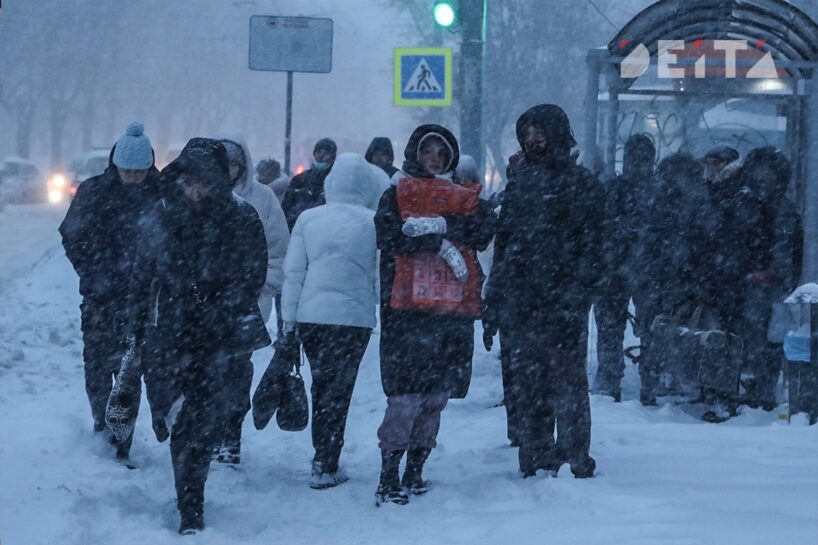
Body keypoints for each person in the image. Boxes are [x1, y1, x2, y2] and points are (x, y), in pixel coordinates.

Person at [124, 138, 270, 534]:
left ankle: (191, 503)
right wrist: (136, 328)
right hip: (168, 333)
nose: (195, 191)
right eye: (188, 181)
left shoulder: (241, 218)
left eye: (204, 183)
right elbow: (141, 277)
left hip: (216, 338)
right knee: (174, 410)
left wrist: (217, 305)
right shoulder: (161, 215)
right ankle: (167, 426)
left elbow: (251, 275)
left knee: (199, 422)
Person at [374, 124, 497, 505]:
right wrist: (438, 241)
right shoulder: (396, 191)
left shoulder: (466, 196)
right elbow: (389, 235)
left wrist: (442, 225)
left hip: (450, 312)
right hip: (407, 312)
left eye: (441, 153)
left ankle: (416, 470)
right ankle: (389, 474)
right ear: (415, 153)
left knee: (435, 396)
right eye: (427, 152)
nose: (434, 159)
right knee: (405, 396)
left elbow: (484, 229)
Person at [483, 104, 603, 479]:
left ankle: (572, 453)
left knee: (566, 381)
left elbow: (598, 244)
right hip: (524, 302)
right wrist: (495, 296)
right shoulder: (520, 183)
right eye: (528, 133)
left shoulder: (581, 183)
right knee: (529, 382)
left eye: (540, 132)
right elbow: (506, 245)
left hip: (562, 301)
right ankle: (536, 452)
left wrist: (579, 289)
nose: (534, 140)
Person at [59, 121, 164, 465]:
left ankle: (121, 440)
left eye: (139, 171)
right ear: (114, 164)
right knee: (97, 363)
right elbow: (72, 234)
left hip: (142, 298)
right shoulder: (93, 192)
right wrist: (93, 272)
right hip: (100, 295)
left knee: (130, 369)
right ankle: (101, 422)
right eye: (126, 170)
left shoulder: (161, 194)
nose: (133, 177)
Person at [282, 153, 388, 489]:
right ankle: (327, 459)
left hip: (312, 316)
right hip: (353, 319)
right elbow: (379, 278)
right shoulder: (373, 221)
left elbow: (294, 273)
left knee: (321, 384)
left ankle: (322, 455)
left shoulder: (308, 220)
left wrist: (288, 319)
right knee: (340, 389)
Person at [215, 132, 289, 464]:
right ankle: (206, 435)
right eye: (221, 162)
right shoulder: (195, 194)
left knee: (236, 373)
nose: (227, 169)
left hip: (246, 305)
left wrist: (264, 287)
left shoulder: (262, 199)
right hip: (202, 306)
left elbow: (279, 251)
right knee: (203, 374)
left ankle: (230, 436)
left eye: (233, 163)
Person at [727, 147, 802, 410]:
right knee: (757, 336)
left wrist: (770, 272)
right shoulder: (747, 201)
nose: (762, 179)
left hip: (767, 284)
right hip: (750, 280)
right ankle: (755, 388)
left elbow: (784, 243)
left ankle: (761, 390)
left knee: (767, 338)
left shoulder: (779, 206)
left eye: (766, 173)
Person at [593, 134, 658, 402]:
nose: (638, 164)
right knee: (638, 327)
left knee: (636, 327)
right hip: (624, 268)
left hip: (628, 268)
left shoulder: (619, 188)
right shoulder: (649, 190)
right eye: (636, 158)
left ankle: (620, 379)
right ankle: (643, 380)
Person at [282, 137, 337, 230]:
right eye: (319, 152)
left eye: (326, 153)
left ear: (332, 157)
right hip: (297, 230)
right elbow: (286, 206)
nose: (321, 157)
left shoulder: (336, 180)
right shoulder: (299, 179)